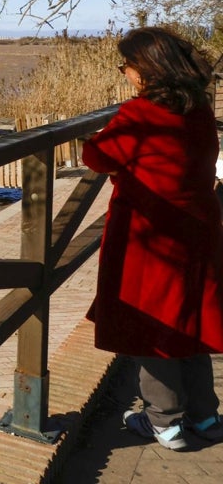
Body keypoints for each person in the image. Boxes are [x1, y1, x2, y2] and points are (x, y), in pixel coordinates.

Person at [82, 26, 223, 450]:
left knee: (149, 322)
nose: (124, 73)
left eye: (125, 65)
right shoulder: (197, 107)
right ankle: (205, 415)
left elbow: (96, 156)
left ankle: (164, 421)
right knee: (190, 322)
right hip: (198, 229)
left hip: (150, 234)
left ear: (145, 69)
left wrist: (104, 133)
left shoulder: (140, 114)